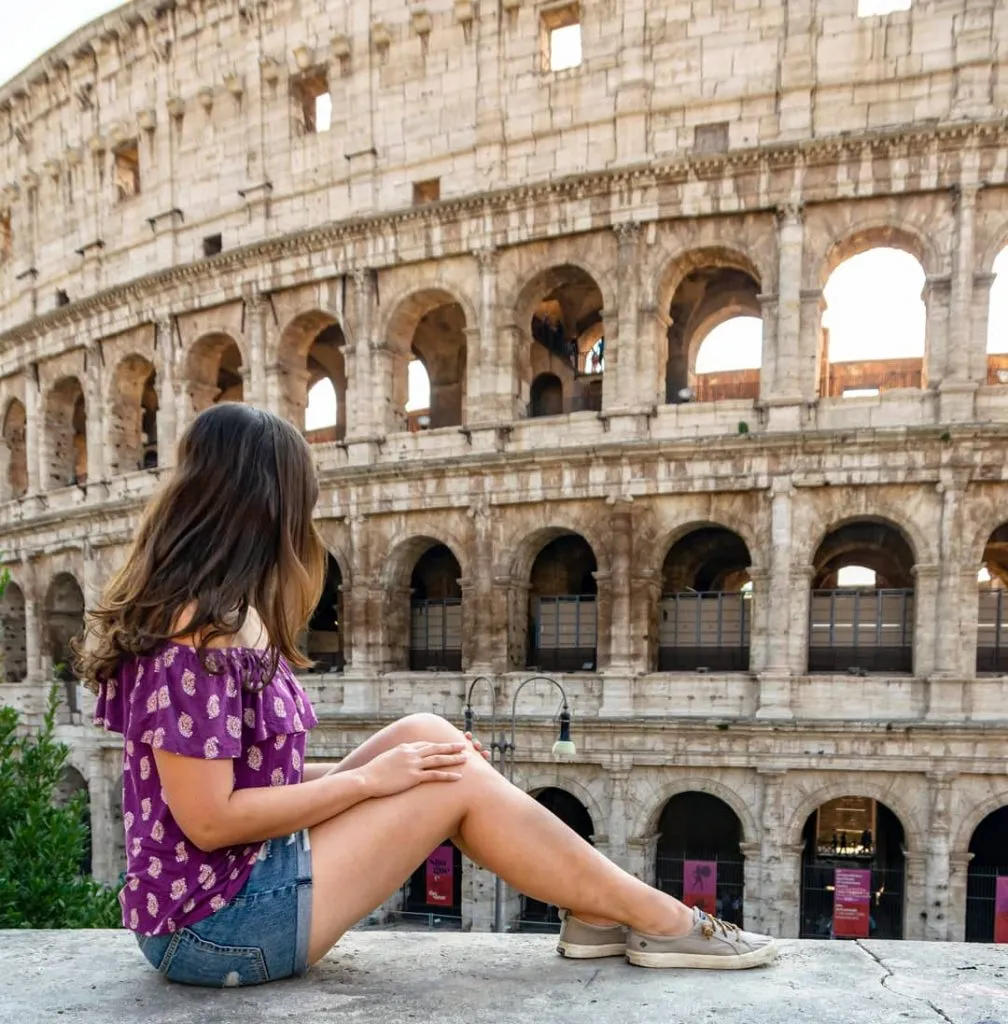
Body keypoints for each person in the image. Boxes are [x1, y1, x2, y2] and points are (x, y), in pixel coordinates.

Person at [74, 403, 776, 988]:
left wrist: (384, 773)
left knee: (428, 735)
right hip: (213, 929)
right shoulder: (199, 630)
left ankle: (594, 910)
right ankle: (658, 918)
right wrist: (373, 781)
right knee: (443, 781)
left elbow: (255, 785)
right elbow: (211, 821)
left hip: (233, 892)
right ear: (267, 509)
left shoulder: (212, 614)